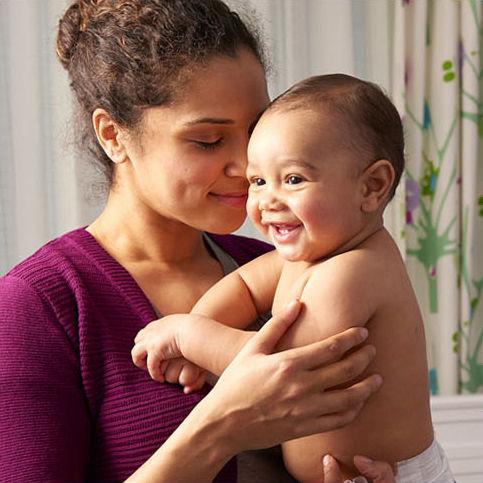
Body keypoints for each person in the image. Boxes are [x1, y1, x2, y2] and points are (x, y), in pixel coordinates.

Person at [0, 1, 395, 482]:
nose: (245, 166)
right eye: (208, 141)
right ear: (113, 136)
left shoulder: (281, 268)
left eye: (254, 132)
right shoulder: (42, 305)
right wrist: (219, 429)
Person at [132, 75, 454, 482]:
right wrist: (199, 342)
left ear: (372, 187)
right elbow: (243, 290)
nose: (268, 200)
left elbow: (283, 366)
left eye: (294, 179)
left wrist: (188, 335)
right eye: (258, 181)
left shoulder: (356, 270)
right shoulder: (305, 256)